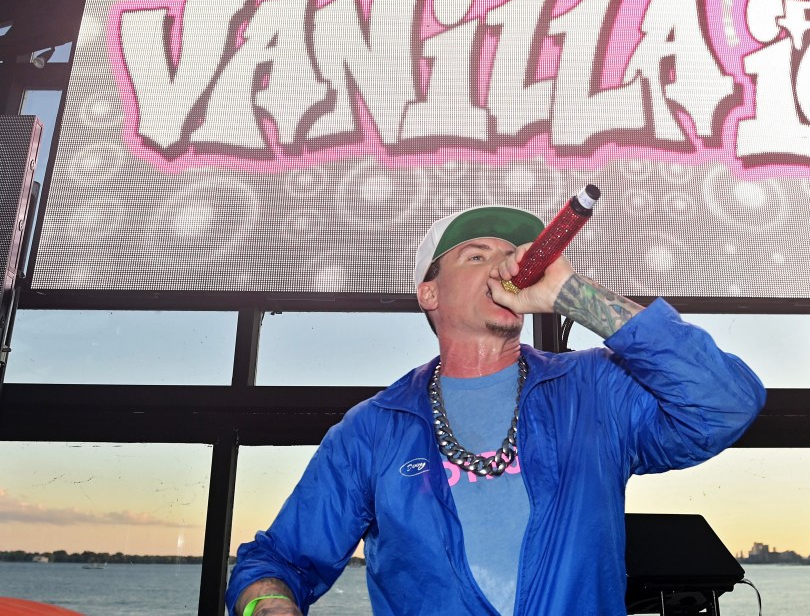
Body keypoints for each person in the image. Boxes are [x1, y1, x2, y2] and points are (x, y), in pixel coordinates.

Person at [227, 204, 766, 616]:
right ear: (429, 294)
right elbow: (275, 561)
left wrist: (577, 294)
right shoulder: (374, 429)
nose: (505, 265)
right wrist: (267, 605)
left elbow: (726, 404)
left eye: (512, 254)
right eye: (476, 254)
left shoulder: (593, 388)